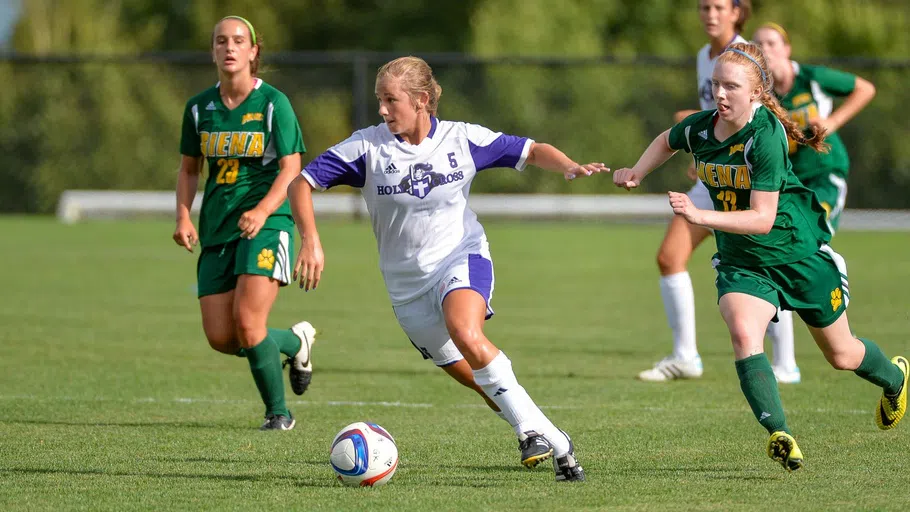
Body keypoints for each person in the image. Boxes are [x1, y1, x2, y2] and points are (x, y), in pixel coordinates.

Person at [288, 56, 604, 482]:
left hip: (461, 256)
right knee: (484, 383)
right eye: (379, 100)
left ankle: (530, 431)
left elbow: (529, 150)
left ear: (421, 101)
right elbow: (302, 183)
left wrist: (567, 165)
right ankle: (559, 444)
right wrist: (312, 240)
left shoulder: (462, 139)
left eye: (390, 100)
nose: (382, 110)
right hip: (406, 290)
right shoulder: (368, 148)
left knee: (467, 331)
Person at [612, 42, 908, 471]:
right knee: (743, 336)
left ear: (756, 93)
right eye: (715, 85)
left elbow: (763, 218)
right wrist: (637, 171)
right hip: (742, 262)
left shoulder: (765, 134)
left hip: (796, 255)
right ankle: (780, 433)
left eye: (731, 86)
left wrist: (700, 214)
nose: (720, 94)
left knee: (842, 356)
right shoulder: (701, 128)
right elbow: (667, 139)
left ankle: (896, 378)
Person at [639, 0, 804, 385]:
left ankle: (787, 363)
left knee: (767, 263)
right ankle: (685, 357)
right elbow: (710, 117)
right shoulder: (705, 56)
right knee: (669, 257)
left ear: (737, 12)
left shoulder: (746, 54)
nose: (709, 15)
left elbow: (764, 116)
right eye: (703, 7)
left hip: (747, 178)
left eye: (718, 7)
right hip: (714, 178)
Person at [173, 16, 316, 431]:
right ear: (213, 51)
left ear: (254, 52)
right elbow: (188, 170)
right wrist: (183, 214)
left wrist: (263, 210)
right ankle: (294, 341)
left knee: (249, 323)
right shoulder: (199, 108)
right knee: (222, 337)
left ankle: (279, 414)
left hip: (268, 224)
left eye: (239, 41)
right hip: (218, 228)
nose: (229, 47)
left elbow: (292, 168)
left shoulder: (273, 103)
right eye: (221, 41)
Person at [753, 22, 876, 234]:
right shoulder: (759, 94)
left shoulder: (811, 79)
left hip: (823, 171)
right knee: (786, 239)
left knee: (813, 230)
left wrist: (833, 122)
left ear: (787, 49)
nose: (765, 49)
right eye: (758, 44)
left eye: (771, 43)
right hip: (789, 180)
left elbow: (865, 89)